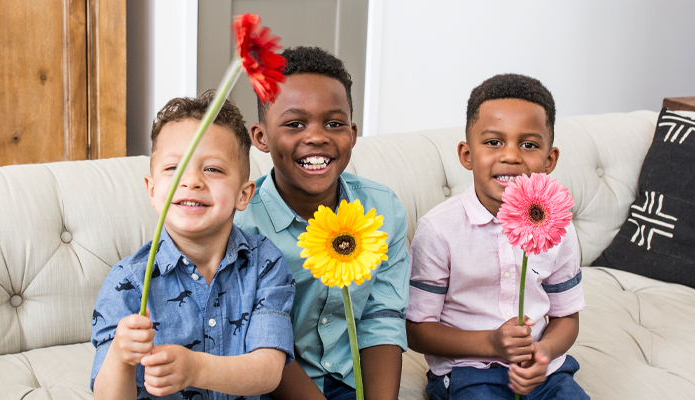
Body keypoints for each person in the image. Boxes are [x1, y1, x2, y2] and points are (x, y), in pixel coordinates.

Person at [90, 91, 295, 400]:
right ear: (152, 189)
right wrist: (120, 355)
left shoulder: (265, 264)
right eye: (173, 168)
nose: (191, 181)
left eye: (212, 169)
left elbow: (268, 372)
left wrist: (196, 368)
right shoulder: (128, 280)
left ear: (244, 194)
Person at [234, 46, 410, 400]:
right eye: (295, 123)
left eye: (333, 123)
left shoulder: (383, 209)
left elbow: (382, 318)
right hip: (271, 386)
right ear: (261, 137)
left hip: (350, 379)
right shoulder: (241, 225)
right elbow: (257, 336)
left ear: (353, 133)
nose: (316, 136)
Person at [406, 74, 588, 399]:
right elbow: (417, 331)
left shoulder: (559, 225)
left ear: (549, 160)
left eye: (529, 145)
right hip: (469, 371)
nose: (511, 156)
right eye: (493, 142)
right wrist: (491, 343)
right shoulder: (438, 229)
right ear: (466, 154)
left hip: (543, 374)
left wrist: (543, 352)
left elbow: (566, 317)